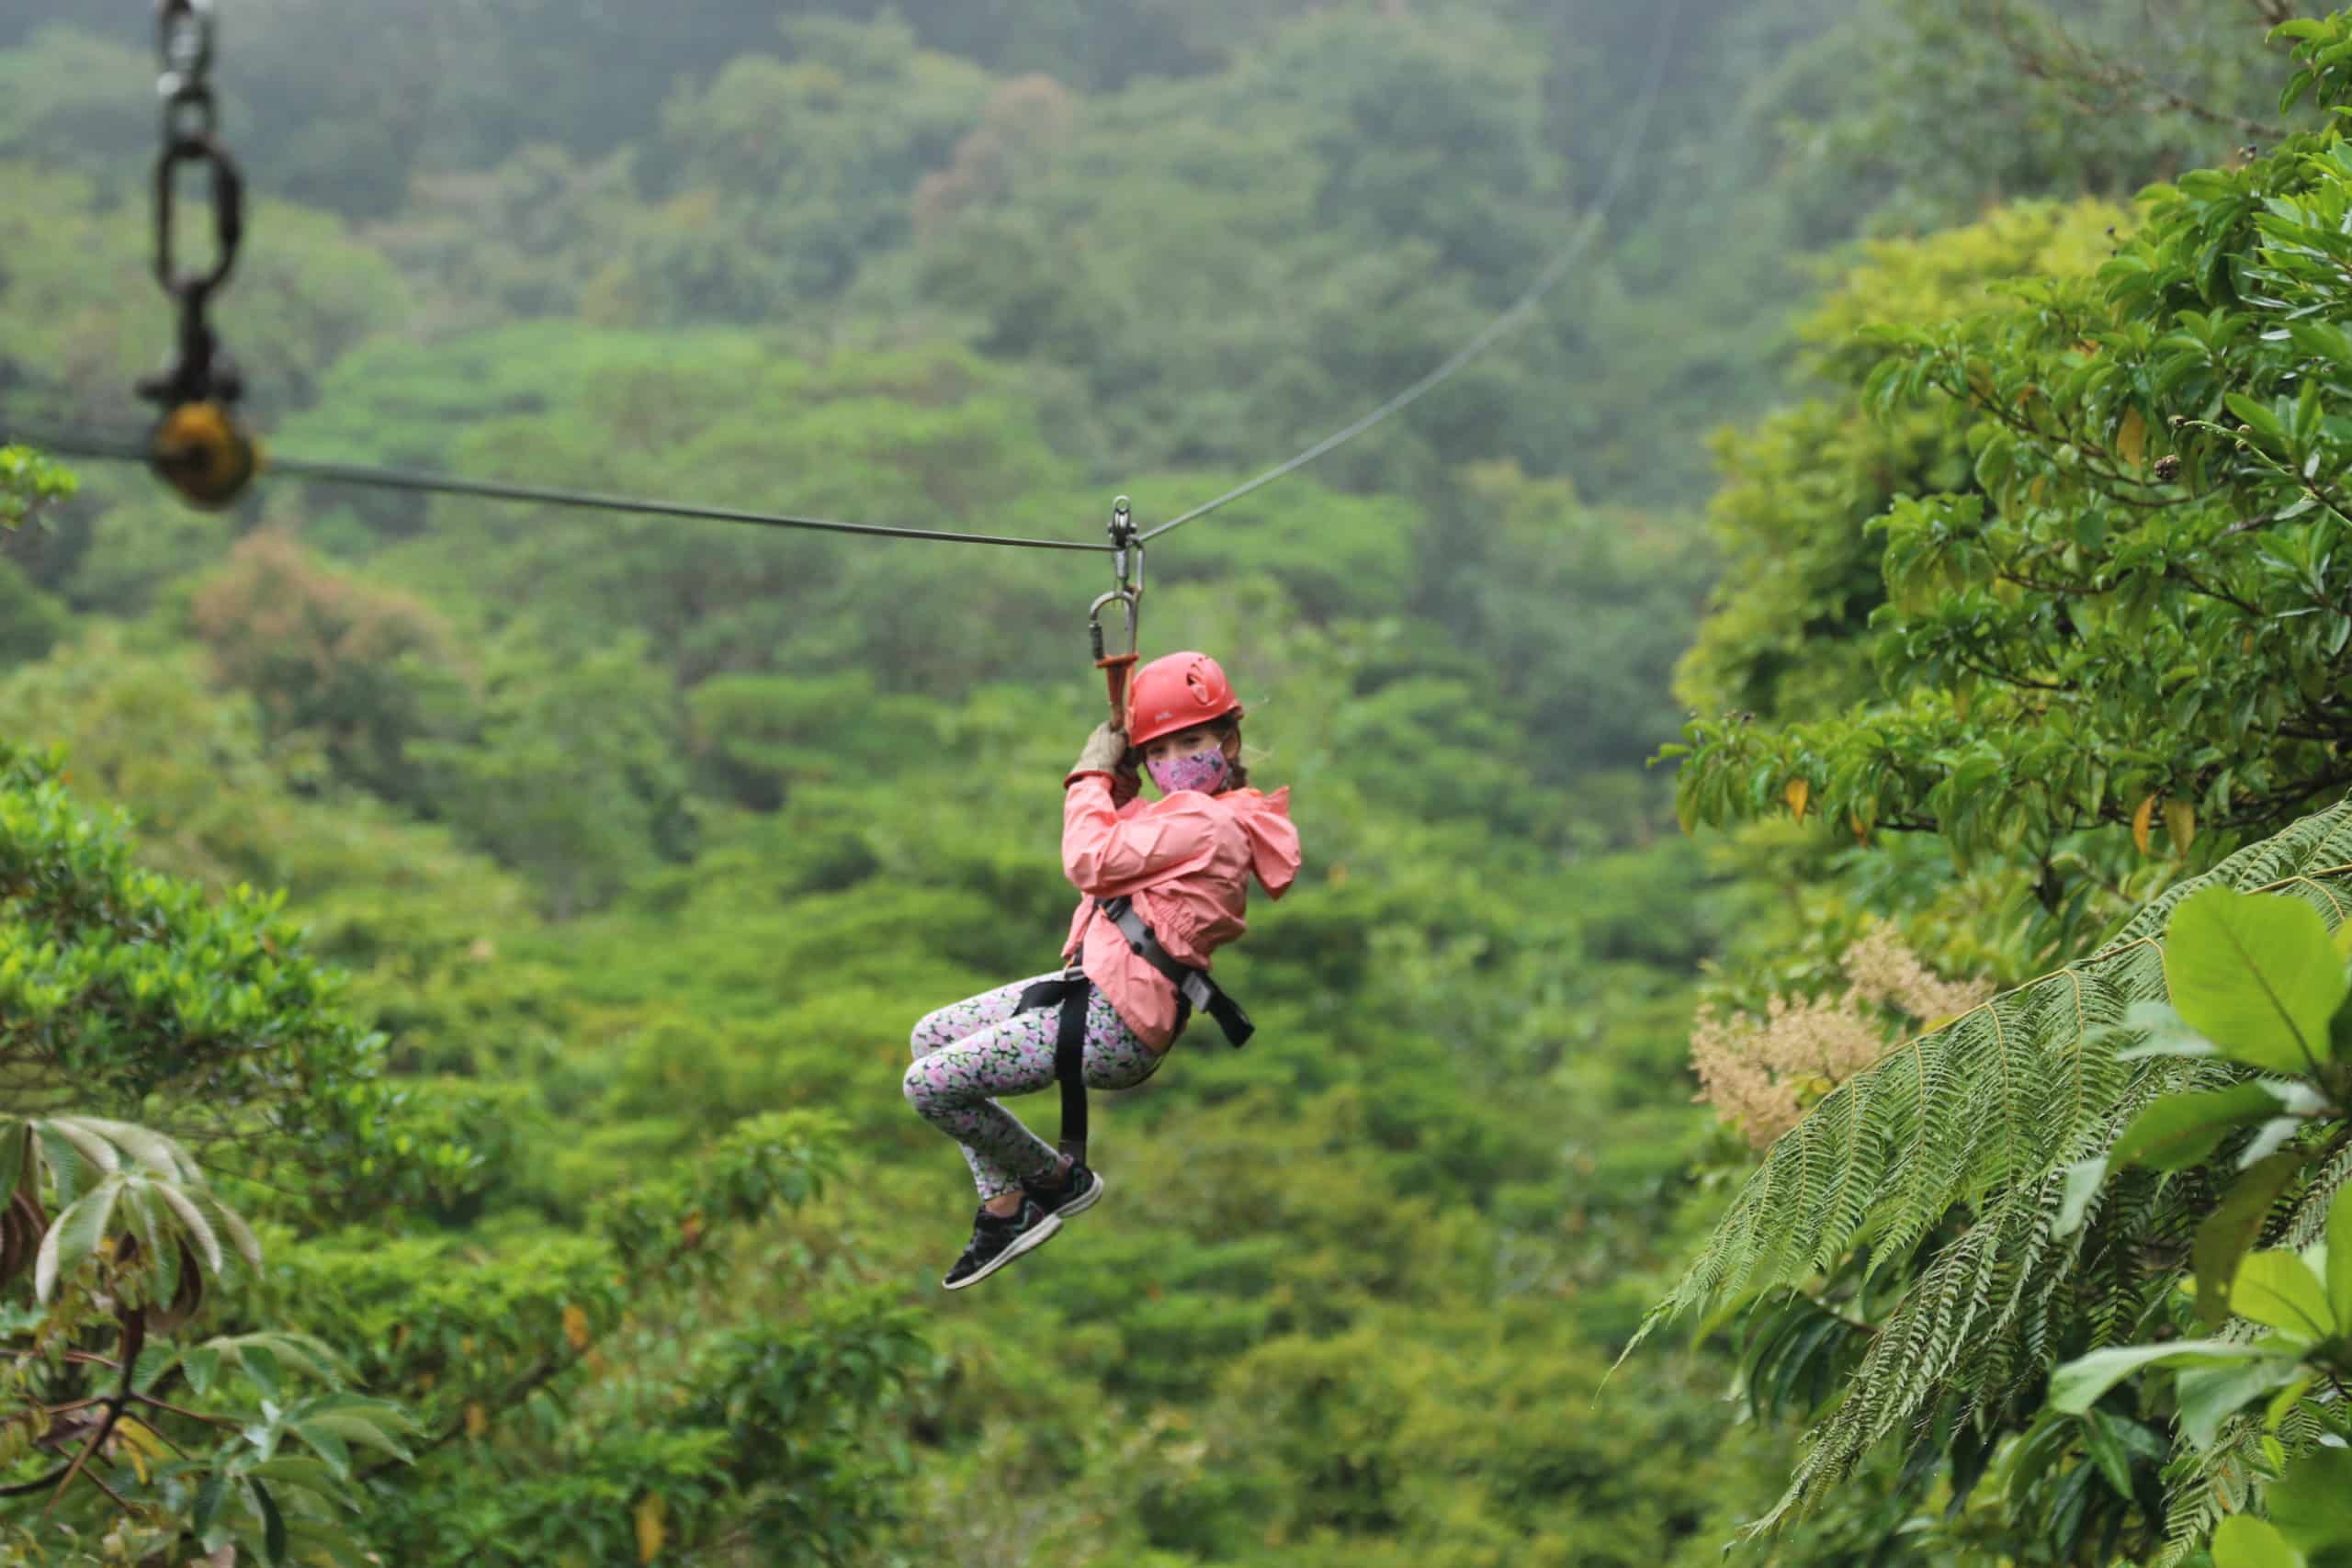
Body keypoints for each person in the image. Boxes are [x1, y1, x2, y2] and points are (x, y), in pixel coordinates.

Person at [903, 651, 1301, 1290]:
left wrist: (1089, 776)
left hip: (1113, 1024)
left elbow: (1091, 857)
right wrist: (1114, 781)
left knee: (927, 1085)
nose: (1176, 759)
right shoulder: (1179, 817)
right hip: (1089, 998)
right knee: (930, 1037)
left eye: (1192, 741)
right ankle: (1005, 1209)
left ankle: (1057, 1181)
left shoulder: (1208, 822)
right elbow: (1126, 833)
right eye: (1160, 749)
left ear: (1228, 740)